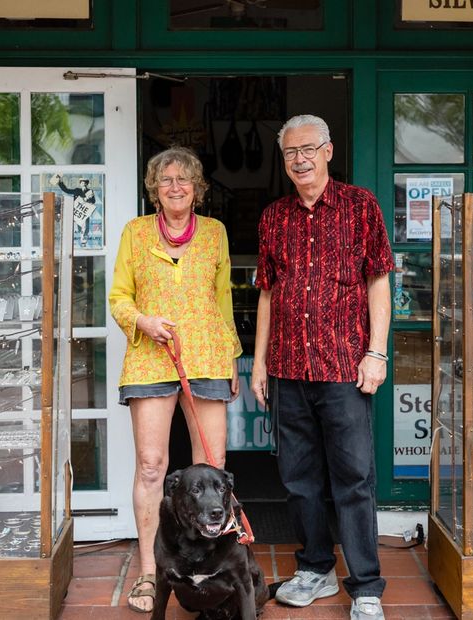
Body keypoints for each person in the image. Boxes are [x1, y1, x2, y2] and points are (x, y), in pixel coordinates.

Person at [251, 115, 392, 620]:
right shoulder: (273, 217)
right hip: (288, 368)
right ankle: (315, 567)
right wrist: (260, 363)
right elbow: (267, 290)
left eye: (309, 149)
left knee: (354, 479)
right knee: (298, 479)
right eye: (290, 153)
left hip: (344, 368)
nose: (300, 159)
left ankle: (366, 587)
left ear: (329, 151)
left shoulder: (360, 207)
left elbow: (379, 281)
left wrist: (376, 352)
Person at [109, 146, 242, 614]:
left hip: (206, 357)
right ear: (154, 188)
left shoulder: (215, 233)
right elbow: (118, 295)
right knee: (151, 465)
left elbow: (222, 298)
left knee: (211, 464)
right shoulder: (135, 232)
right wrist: (142, 321)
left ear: (197, 187)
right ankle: (151, 572)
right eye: (165, 179)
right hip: (149, 358)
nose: (175, 186)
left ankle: (212, 568)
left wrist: (232, 358)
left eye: (183, 179)